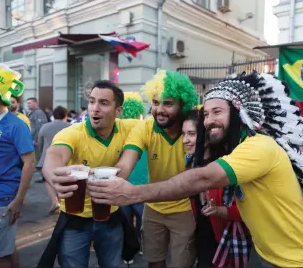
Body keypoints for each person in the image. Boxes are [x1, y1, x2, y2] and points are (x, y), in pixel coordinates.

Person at [82, 72, 303, 267]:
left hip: (294, 260)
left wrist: (132, 194)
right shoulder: (232, 146)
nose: (209, 120)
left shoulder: (259, 148)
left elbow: (202, 177)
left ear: (238, 113)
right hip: (264, 252)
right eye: (207, 114)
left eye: (217, 112)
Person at [39, 80, 139, 268]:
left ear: (118, 111)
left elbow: (154, 125)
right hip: (74, 218)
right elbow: (54, 155)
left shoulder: (129, 127)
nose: (95, 108)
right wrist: (54, 176)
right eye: (92, 101)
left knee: (113, 264)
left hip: (111, 215)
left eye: (103, 103)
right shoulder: (73, 133)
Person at [117, 70, 199, 268]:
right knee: (154, 262)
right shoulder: (145, 128)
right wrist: (113, 180)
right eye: (155, 102)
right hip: (153, 208)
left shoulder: (195, 126)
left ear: (183, 104)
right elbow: (126, 161)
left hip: (186, 210)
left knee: (183, 264)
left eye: (168, 103)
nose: (159, 109)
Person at [183, 109, 251, 268]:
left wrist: (221, 211)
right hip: (202, 238)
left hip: (225, 242)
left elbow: (248, 209)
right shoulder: (192, 162)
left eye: (191, 134)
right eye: (183, 134)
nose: (185, 140)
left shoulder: (228, 164)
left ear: (208, 134)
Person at [0, 62, 35, 268]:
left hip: (2, 198)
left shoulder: (16, 125)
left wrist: (19, 200)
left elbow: (29, 163)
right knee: (5, 248)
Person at [119, 92, 149, 265]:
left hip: (123, 183)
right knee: (142, 220)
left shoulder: (117, 130)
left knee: (125, 221)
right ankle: (142, 246)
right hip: (143, 184)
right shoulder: (145, 126)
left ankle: (127, 253)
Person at [36, 106, 71, 213]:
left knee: (48, 180)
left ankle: (55, 201)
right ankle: (64, 202)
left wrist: (39, 155)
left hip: (46, 158)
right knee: (64, 180)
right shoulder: (71, 126)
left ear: (53, 115)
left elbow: (39, 142)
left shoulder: (45, 127)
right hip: (66, 158)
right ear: (65, 115)